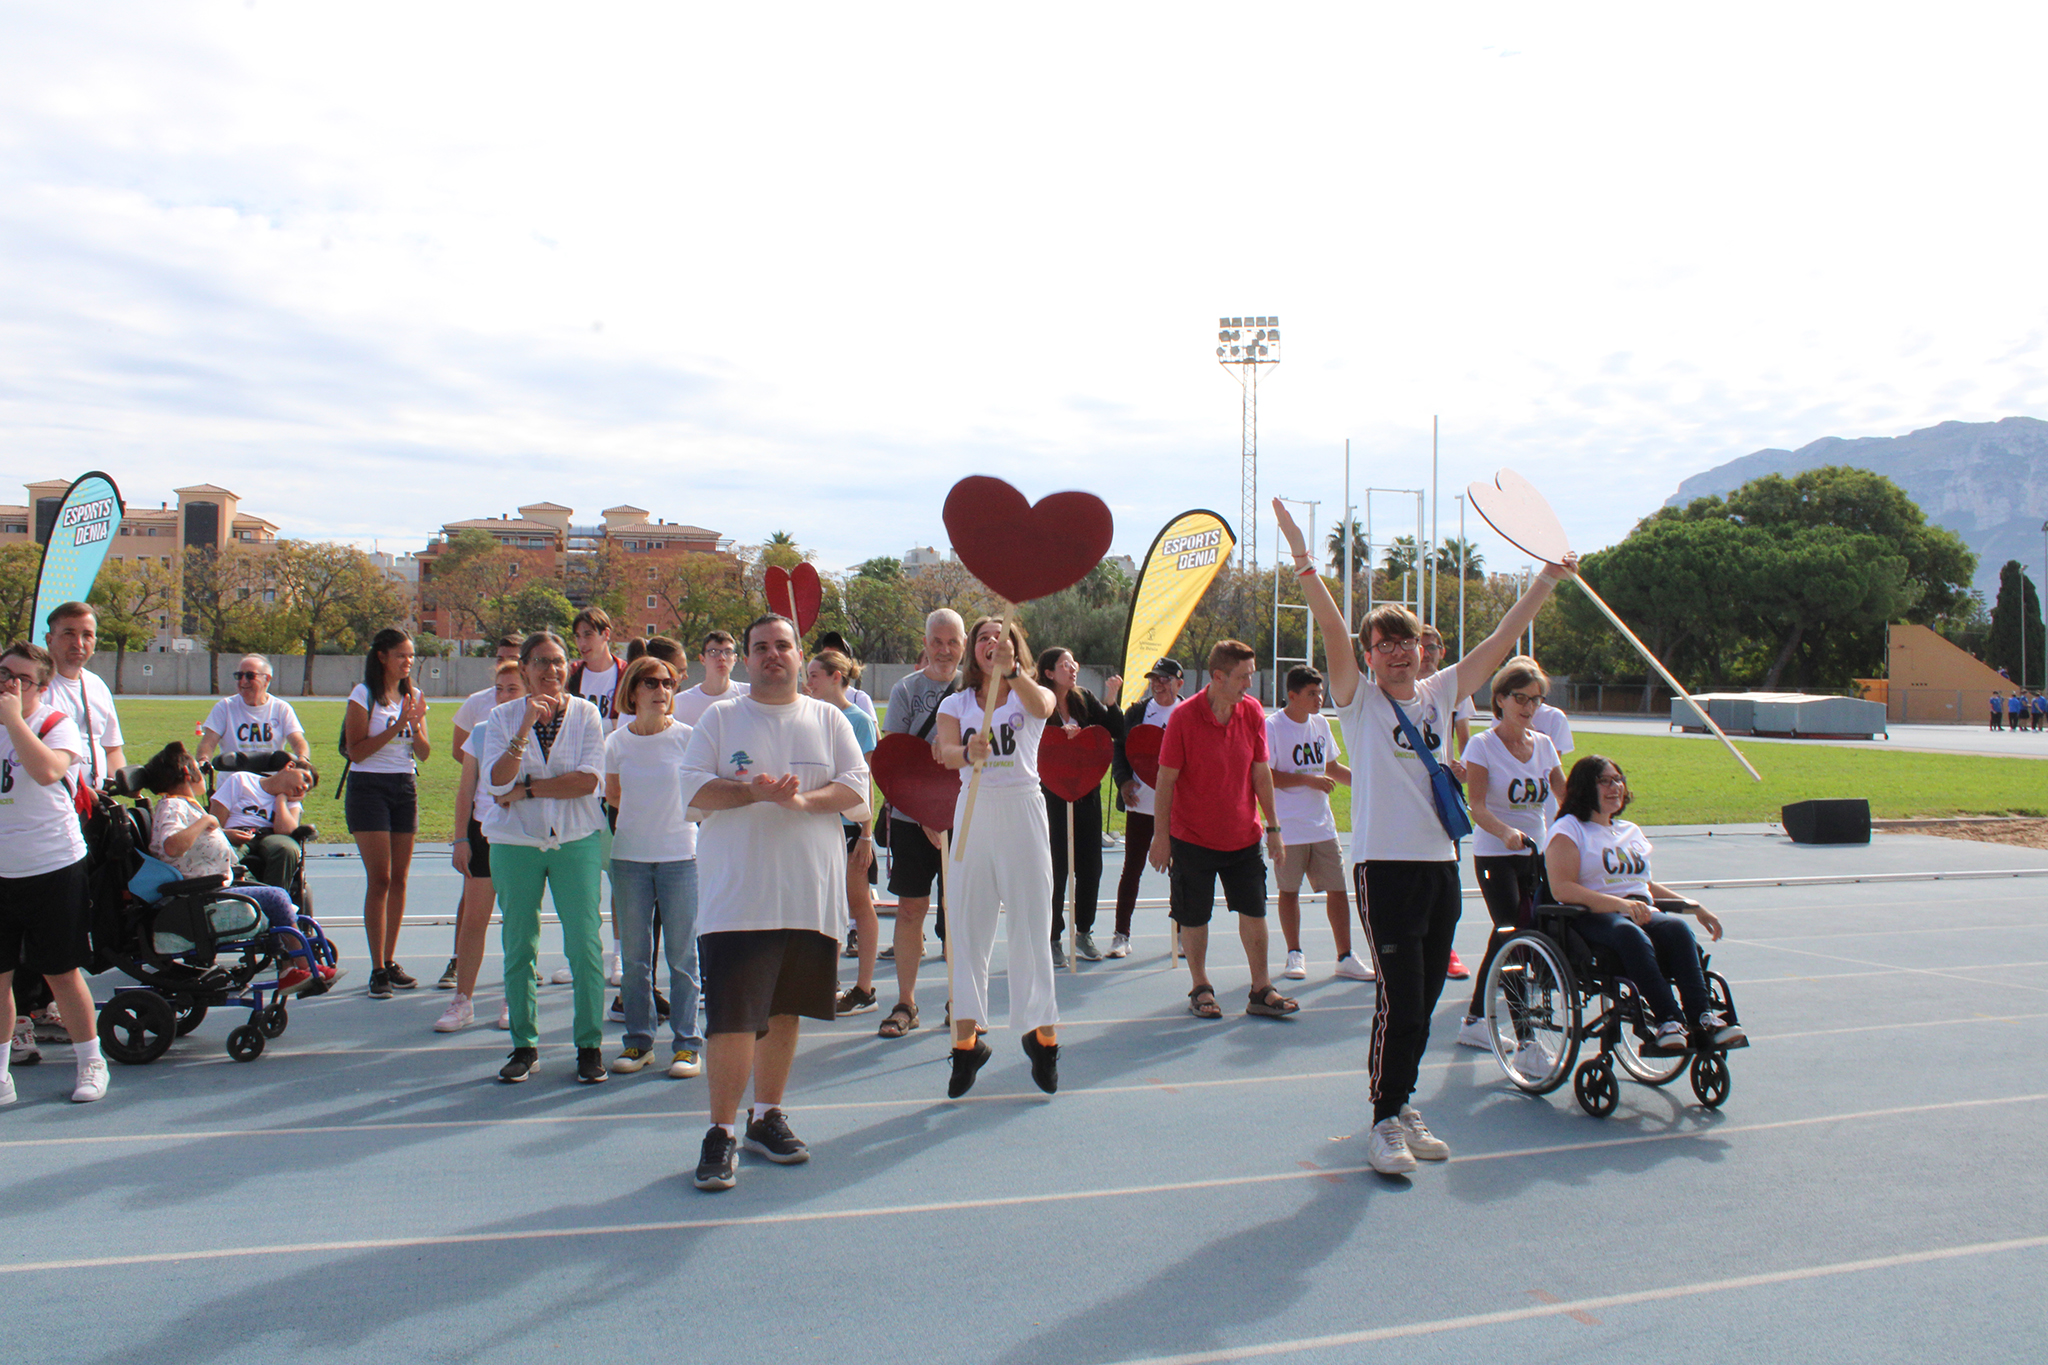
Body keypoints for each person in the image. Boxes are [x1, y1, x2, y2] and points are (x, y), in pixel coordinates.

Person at [1276, 495, 1572, 1176]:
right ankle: (1383, 1118)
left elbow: (1499, 643)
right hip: (1385, 867)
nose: (1398, 654)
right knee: (1399, 996)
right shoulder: (1357, 699)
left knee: (1429, 993)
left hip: (1441, 863)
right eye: (1384, 645)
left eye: (1405, 641)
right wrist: (1302, 561)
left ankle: (1404, 1103)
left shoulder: (1439, 693)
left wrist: (1546, 580)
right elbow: (1328, 625)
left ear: (1419, 646)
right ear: (1371, 655)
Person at [679, 614, 869, 1191]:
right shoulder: (720, 718)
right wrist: (752, 792)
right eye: (760, 646)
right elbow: (691, 789)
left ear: (797, 653)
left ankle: (766, 1116)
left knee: (786, 1011)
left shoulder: (829, 718)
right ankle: (720, 1131)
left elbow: (859, 787)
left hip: (808, 897)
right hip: (737, 898)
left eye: (782, 646)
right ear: (746, 658)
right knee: (733, 1019)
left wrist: (807, 803)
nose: (772, 655)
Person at [475, 631, 610, 1084]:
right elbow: (496, 783)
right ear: (525, 669)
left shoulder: (588, 713)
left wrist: (527, 790)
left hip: (575, 838)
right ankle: (524, 1045)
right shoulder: (502, 717)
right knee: (519, 943)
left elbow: (587, 781)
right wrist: (523, 729)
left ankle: (588, 1045)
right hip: (516, 843)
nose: (550, 671)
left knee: (585, 943)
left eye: (558, 662)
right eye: (540, 663)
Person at [935, 616, 1061, 1096]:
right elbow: (944, 751)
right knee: (967, 928)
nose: (991, 642)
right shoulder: (958, 702)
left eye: (999, 636)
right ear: (972, 650)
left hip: (1024, 808)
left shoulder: (1029, 692)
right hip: (974, 810)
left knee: (1032, 924)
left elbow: (1044, 706)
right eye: (982, 637)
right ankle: (967, 1046)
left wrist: (1013, 674)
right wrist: (968, 753)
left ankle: (1043, 1039)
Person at [1545, 755, 1744, 1050]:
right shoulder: (1569, 830)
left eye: (1618, 779)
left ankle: (1702, 1018)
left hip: (1639, 909)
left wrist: (1694, 907)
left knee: (1677, 928)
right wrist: (1618, 905)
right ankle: (1668, 1021)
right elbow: (1562, 888)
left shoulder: (1630, 831)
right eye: (1605, 781)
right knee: (1629, 934)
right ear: (1586, 786)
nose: (1616, 786)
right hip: (1592, 915)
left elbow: (1646, 885)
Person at [1149, 639, 1291, 1020]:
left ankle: (1260, 988)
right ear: (1218, 676)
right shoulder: (1183, 717)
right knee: (1194, 916)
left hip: (1243, 835)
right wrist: (1160, 836)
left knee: (1255, 910)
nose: (1250, 683)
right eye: (1243, 676)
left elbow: (1260, 772)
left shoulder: (1253, 712)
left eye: (1251, 675)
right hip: (1192, 837)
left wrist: (1273, 827)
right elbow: (1165, 780)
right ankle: (1201, 987)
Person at [0, 642, 109, 1104]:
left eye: (21, 679)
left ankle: (91, 1062)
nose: (8, 683)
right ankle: (1, 1074)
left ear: (41, 688)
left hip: (52, 865)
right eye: (4, 673)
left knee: (60, 972)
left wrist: (12, 720)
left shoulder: (54, 725)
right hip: (2, 871)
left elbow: (46, 771)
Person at [140, 743, 332, 993]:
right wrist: (209, 821)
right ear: (188, 775)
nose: (202, 770)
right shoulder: (173, 806)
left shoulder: (184, 804)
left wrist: (215, 829)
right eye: (198, 767)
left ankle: (295, 967)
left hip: (214, 886)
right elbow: (172, 846)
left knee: (275, 896)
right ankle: (299, 966)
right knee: (275, 896)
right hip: (200, 894)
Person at [1453, 659, 1565, 1051]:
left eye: (1536, 700)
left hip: (1537, 854)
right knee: (1512, 933)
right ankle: (1527, 1040)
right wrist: (1505, 832)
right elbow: (1477, 806)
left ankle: (1475, 1019)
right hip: (1496, 855)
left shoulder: (1545, 746)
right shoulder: (1483, 745)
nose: (1529, 707)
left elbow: (1564, 798)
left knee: (1520, 934)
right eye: (1520, 698)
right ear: (1500, 699)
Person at [605, 654, 704, 1079]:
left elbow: (701, 793)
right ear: (632, 690)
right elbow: (613, 796)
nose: (661, 690)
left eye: (668, 683)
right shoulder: (616, 742)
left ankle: (686, 1044)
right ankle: (639, 1041)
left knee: (683, 956)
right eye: (650, 682)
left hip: (681, 857)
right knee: (636, 958)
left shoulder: (688, 738)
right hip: (629, 859)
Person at [875, 609, 965, 1040]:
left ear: (963, 644)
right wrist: (927, 811)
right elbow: (895, 759)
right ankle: (906, 1002)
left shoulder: (978, 692)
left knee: (962, 914)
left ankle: (960, 999)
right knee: (911, 910)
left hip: (963, 820)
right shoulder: (906, 690)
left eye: (952, 641)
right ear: (926, 643)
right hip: (913, 819)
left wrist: (946, 815)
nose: (944, 650)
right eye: (937, 641)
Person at [1266, 666, 1371, 982]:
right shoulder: (1273, 727)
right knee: (1289, 891)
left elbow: (1332, 767)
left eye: (1320, 692)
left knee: (1338, 889)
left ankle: (1345, 955)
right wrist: (1308, 781)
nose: (1319, 699)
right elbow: (1266, 775)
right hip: (1289, 826)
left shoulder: (1321, 724)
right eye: (1312, 693)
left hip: (1323, 826)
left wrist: (1366, 783)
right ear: (1293, 695)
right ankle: (1294, 953)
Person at [438, 660, 525, 1033]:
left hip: (520, 834)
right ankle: (463, 1000)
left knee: (519, 921)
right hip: (482, 832)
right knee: (474, 919)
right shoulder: (480, 731)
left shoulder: (536, 732)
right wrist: (461, 839)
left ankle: (514, 997)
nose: (504, 696)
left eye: (513, 689)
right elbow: (465, 791)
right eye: (500, 689)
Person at [345, 628, 430, 999]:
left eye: (411, 656)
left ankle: (390, 960)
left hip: (403, 787)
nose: (407, 662)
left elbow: (425, 753)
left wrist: (413, 724)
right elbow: (357, 751)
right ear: (382, 656)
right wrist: (397, 725)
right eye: (401, 655)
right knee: (380, 878)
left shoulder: (414, 696)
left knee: (400, 878)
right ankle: (376, 967)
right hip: (368, 789)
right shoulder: (363, 695)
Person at [806, 649, 881, 1016]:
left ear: (837, 677)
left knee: (857, 903)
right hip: (816, 827)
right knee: (821, 908)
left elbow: (866, 780)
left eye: (814, 675)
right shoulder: (809, 715)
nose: (808, 683)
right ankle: (823, 982)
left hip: (850, 828)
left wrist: (866, 834)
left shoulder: (859, 720)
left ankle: (864, 987)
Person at [1036, 648, 1123, 964]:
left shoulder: (1083, 698)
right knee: (1056, 868)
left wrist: (1111, 699)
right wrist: (1058, 734)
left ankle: (1084, 931)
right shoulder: (1038, 702)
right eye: (1065, 664)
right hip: (1052, 796)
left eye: (1074, 663)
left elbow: (1114, 730)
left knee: (1091, 867)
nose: (1073, 668)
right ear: (1048, 672)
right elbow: (1030, 739)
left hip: (1087, 793)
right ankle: (1053, 937)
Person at [1109, 657, 1185, 959]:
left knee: (1180, 873)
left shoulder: (1189, 712)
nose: (1158, 684)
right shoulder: (1138, 712)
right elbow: (1120, 748)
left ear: (1179, 682)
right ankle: (1121, 934)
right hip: (1141, 804)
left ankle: (1182, 933)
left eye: (1165, 679)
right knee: (1132, 869)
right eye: (1154, 678)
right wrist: (1124, 780)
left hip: (1178, 809)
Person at [1418, 625, 1476, 982]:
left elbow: (1465, 737)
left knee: (1446, 876)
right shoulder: (1393, 686)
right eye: (1420, 645)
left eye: (1432, 647)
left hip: (1443, 793)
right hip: (1404, 793)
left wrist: (1463, 766)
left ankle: (1445, 947)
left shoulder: (1453, 688)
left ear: (1442, 651)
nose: (1427, 652)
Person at [209, 757, 315, 892]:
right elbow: (215, 820)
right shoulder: (241, 780)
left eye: (308, 788)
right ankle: (257, 891)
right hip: (236, 832)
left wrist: (281, 800)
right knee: (222, 850)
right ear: (290, 766)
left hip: (270, 836)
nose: (305, 787)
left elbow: (287, 832)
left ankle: (277, 898)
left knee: (287, 848)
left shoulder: (292, 801)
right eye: (305, 778)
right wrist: (225, 834)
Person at [196, 655, 310, 763]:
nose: (243, 681)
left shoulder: (281, 708)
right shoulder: (224, 707)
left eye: (250, 676)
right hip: (234, 781)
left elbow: (298, 741)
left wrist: (302, 759)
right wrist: (203, 760)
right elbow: (208, 743)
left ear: (267, 679)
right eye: (239, 676)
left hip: (270, 781)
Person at [673, 629, 750, 727]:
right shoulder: (680, 703)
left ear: (735, 658)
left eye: (728, 652)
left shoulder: (749, 695)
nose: (722, 657)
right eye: (714, 652)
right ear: (702, 659)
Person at [815, 632, 878, 721]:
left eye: (834, 657)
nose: (828, 662)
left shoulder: (859, 699)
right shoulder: (814, 699)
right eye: (824, 656)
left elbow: (873, 734)